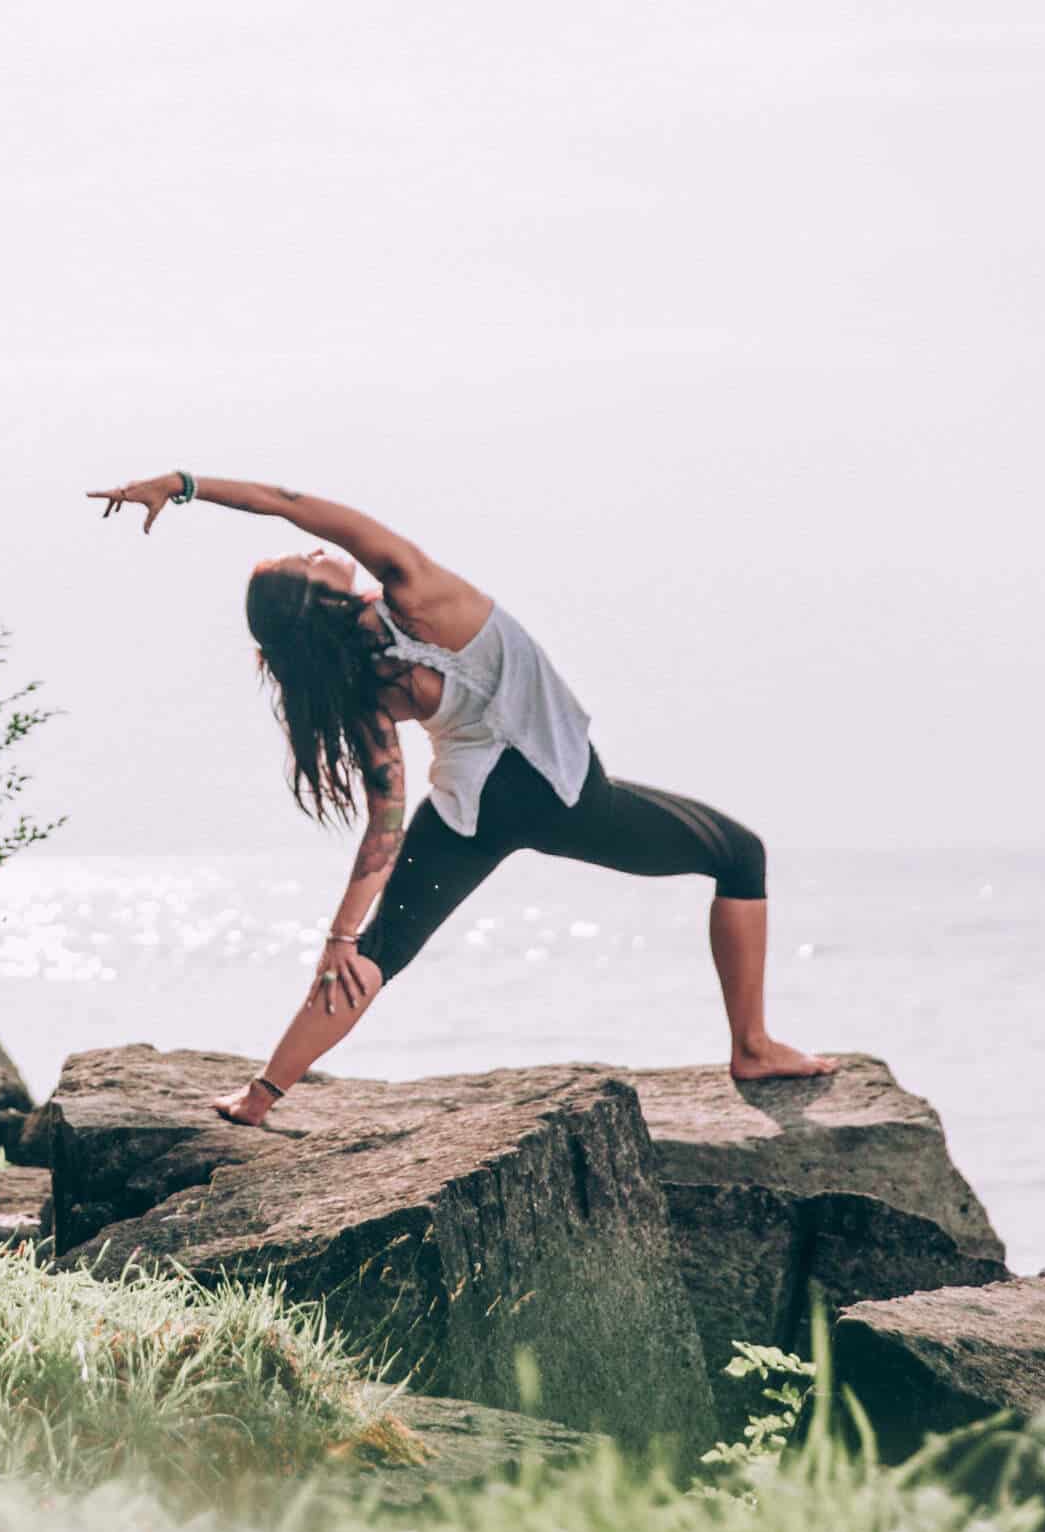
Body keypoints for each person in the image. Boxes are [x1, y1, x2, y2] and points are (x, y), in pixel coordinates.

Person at [86, 468, 833, 1129]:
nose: (316, 549)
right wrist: (183, 484)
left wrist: (341, 933)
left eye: (306, 551)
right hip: (560, 792)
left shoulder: (360, 681)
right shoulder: (414, 586)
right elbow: (289, 503)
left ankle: (260, 1095)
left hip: (471, 806)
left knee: (377, 952)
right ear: (319, 598)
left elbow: (385, 821)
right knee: (741, 855)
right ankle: (752, 1047)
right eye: (306, 562)